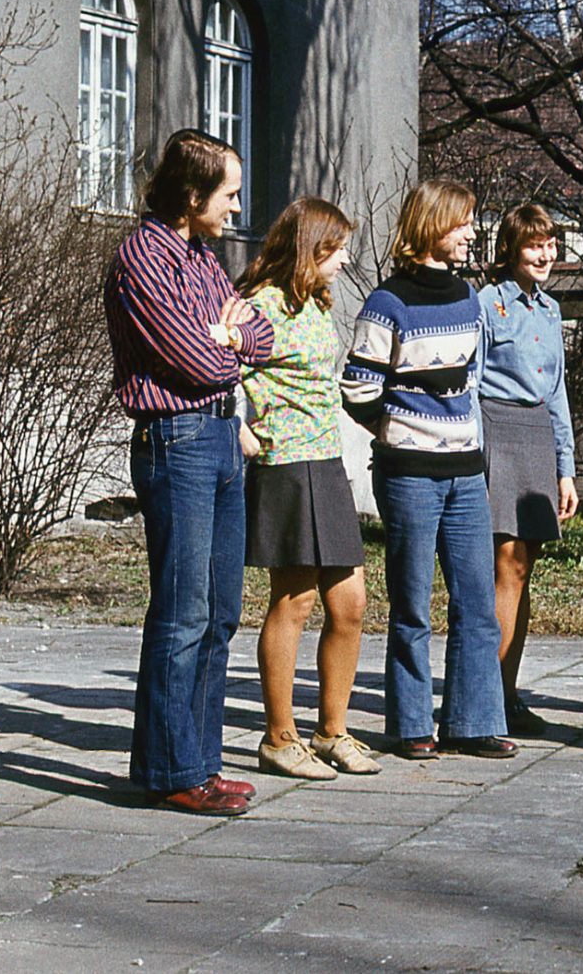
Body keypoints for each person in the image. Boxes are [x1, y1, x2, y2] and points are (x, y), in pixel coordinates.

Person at [104, 128, 273, 815]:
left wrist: (230, 335)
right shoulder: (142, 258)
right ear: (191, 192)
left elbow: (259, 335)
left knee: (221, 612)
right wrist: (225, 341)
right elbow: (194, 361)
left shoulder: (202, 257)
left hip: (223, 438)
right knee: (183, 612)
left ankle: (194, 762)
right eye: (229, 194)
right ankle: (174, 772)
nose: (236, 207)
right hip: (177, 441)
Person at [341, 179, 515, 759]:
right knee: (412, 602)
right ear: (433, 225)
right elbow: (358, 389)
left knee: (476, 601)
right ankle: (412, 724)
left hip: (466, 472)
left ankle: (474, 721)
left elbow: (471, 382)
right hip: (408, 474)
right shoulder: (387, 304)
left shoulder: (467, 298)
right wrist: (401, 434)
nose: (470, 233)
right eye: (462, 223)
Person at [236, 198, 377, 780]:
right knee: (293, 602)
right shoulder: (259, 306)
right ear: (308, 248)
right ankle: (279, 737)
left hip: (326, 462)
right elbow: (220, 366)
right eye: (335, 249)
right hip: (286, 466)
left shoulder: (315, 302)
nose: (344, 260)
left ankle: (332, 732)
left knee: (350, 604)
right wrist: (236, 423)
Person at [475, 204, 579, 737]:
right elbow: (471, 383)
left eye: (552, 243)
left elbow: (557, 390)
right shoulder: (487, 305)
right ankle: (485, 696)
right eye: (535, 245)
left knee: (524, 570)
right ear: (512, 249)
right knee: (503, 568)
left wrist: (567, 467)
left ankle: (508, 693)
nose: (546, 254)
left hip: (538, 436)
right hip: (498, 432)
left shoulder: (551, 310)